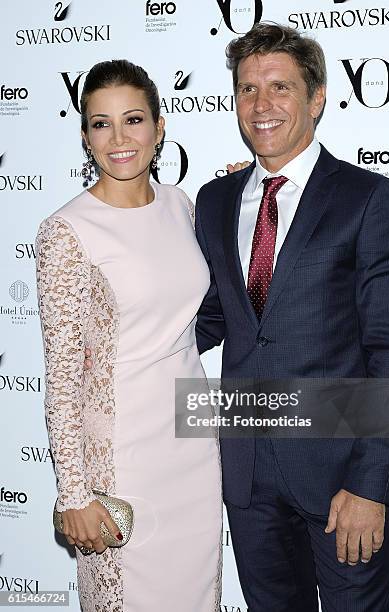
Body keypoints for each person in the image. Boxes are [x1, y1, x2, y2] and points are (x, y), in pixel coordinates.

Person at [194, 23, 389, 612]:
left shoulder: (367, 197)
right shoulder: (215, 202)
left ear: (317, 97)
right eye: (247, 89)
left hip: (342, 479)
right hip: (246, 478)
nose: (261, 105)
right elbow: (212, 317)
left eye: (279, 87)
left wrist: (371, 486)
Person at [36, 59, 222, 612]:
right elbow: (62, 378)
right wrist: (74, 492)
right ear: (85, 136)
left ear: (160, 127)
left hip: (192, 450)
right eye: (100, 123)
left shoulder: (182, 206)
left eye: (133, 119)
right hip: (122, 459)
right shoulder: (66, 232)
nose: (119, 138)